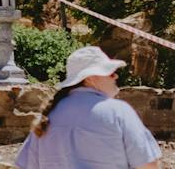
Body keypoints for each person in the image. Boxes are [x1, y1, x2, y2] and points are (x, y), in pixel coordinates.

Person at [15, 45, 163, 169]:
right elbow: (149, 165)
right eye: (110, 73)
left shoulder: (49, 117)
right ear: (90, 78)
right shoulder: (119, 112)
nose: (116, 76)